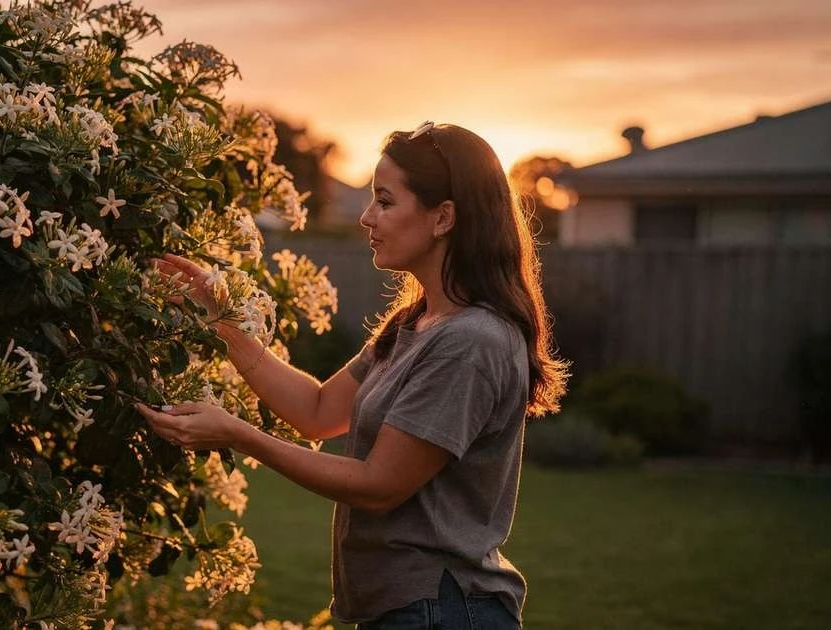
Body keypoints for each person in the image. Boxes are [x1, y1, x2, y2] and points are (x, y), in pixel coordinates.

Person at [135, 122, 569, 629]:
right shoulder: (416, 323)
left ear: (443, 217)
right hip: (412, 610)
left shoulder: (470, 341)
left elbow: (378, 484)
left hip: (443, 610)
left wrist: (237, 434)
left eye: (385, 202)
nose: (367, 218)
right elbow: (317, 412)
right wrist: (222, 322)